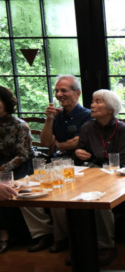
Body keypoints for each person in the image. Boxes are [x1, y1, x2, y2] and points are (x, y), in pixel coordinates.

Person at [21, 74, 92, 253]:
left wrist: (58, 144)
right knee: (24, 193)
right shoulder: (57, 116)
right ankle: (43, 233)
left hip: (79, 166)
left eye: (64, 90)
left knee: (58, 196)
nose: (59, 94)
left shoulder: (87, 115)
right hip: (54, 165)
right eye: (57, 91)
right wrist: (49, 119)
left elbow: (78, 142)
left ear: (77, 93)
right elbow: (46, 142)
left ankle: (63, 239)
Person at [69, 89, 125, 266]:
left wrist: (106, 171)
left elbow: (124, 161)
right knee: (69, 198)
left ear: (110, 109)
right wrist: (78, 153)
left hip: (115, 174)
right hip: (90, 172)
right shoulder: (87, 127)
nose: (92, 105)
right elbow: (79, 154)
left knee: (99, 201)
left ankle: (106, 246)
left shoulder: (122, 129)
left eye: (98, 102)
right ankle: (77, 245)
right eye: (93, 101)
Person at [0, 86, 33, 254]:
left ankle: (6, 235)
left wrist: (2, 170)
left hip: (20, 163)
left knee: (7, 187)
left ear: (6, 103)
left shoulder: (20, 125)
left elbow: (22, 155)